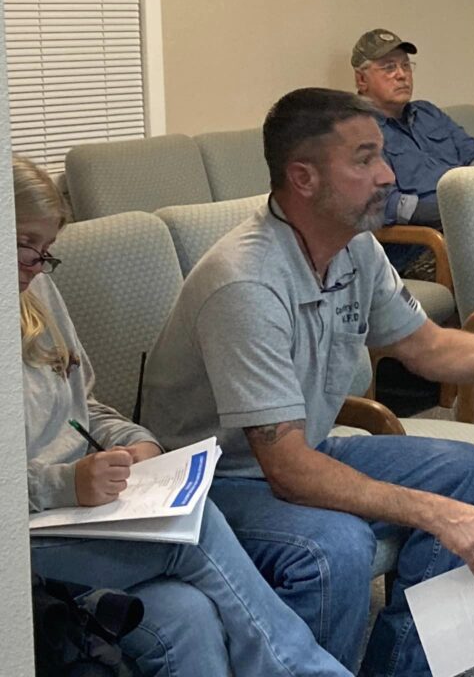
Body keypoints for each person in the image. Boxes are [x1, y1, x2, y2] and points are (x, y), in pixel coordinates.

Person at [140, 87, 474, 677]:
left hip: (297, 449)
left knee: (465, 471)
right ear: (303, 178)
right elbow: (286, 470)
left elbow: (427, 347)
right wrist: (437, 515)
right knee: (336, 546)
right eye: (363, 160)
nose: (386, 174)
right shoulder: (245, 284)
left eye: (382, 155)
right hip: (210, 483)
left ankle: (396, 669)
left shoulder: (354, 249)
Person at [15, 157, 352, 677]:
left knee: (187, 618)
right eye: (23, 246)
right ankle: (306, 670)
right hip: (24, 533)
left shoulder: (36, 290)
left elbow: (83, 406)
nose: (36, 265)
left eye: (45, 252)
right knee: (193, 525)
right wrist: (65, 483)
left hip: (75, 515)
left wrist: (137, 440)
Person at [352, 27, 474, 274]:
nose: (401, 75)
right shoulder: (357, 130)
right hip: (422, 248)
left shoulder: (428, 113)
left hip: (471, 223)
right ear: (361, 80)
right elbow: (384, 204)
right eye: (389, 67)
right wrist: (456, 207)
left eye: (406, 66)